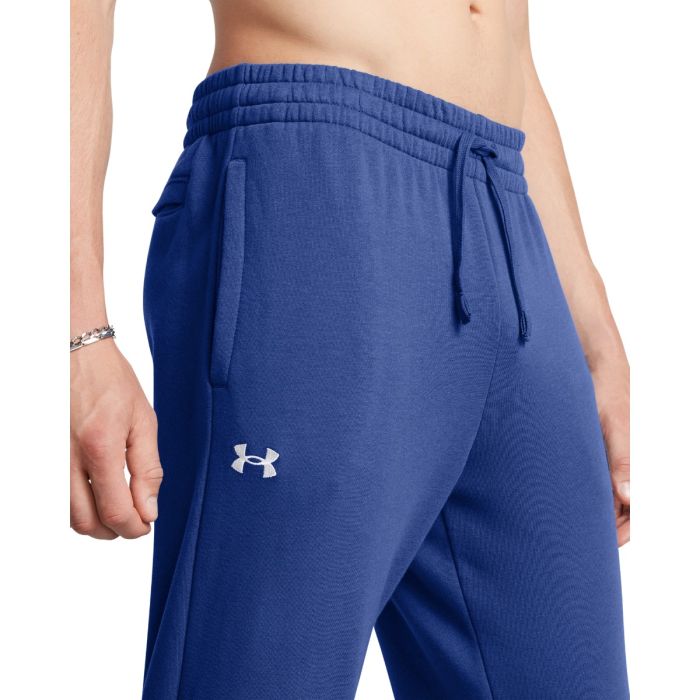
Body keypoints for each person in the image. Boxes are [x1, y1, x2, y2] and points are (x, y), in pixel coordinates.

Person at [70, 1, 630, 697]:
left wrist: (593, 329)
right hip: (316, 181)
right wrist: (77, 327)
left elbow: (509, 44)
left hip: (509, 211)